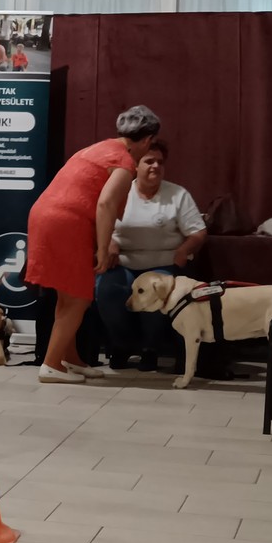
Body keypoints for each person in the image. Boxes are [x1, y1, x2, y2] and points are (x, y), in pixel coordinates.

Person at [24, 105, 162, 382]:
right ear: (147, 139)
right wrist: (103, 247)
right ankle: (51, 365)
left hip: (44, 215)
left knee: (68, 296)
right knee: (79, 298)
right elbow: (106, 203)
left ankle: (69, 358)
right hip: (67, 222)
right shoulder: (123, 161)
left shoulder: (97, 148)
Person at [93, 139, 207, 371]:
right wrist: (109, 243)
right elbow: (101, 222)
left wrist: (184, 250)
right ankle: (122, 345)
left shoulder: (177, 194)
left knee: (154, 292)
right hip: (123, 262)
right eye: (149, 161)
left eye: (160, 162)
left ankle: (150, 349)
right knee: (107, 291)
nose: (156, 166)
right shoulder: (121, 191)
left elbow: (198, 232)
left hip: (162, 264)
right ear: (136, 165)